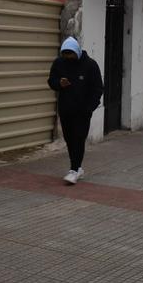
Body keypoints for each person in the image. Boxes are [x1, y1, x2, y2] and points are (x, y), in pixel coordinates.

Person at [47, 36, 103, 185]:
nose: (68, 57)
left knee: (79, 139)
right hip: (66, 109)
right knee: (69, 139)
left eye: (70, 54)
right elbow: (51, 81)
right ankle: (77, 168)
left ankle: (73, 169)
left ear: (76, 52)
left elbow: (98, 88)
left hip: (83, 111)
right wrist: (59, 83)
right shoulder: (59, 63)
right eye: (65, 54)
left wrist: (90, 107)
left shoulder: (90, 65)